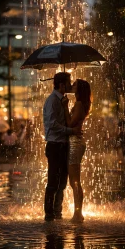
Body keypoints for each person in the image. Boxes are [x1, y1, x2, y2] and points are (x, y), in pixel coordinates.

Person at [43, 72, 81, 222]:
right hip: (54, 146)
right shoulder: (52, 100)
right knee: (53, 181)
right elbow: (51, 124)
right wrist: (70, 131)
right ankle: (49, 214)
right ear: (61, 85)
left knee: (63, 181)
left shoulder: (62, 100)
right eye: (68, 82)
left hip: (63, 145)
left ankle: (57, 213)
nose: (71, 85)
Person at [62, 79, 91, 223]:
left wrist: (66, 107)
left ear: (79, 89)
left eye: (74, 85)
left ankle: (78, 214)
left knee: (75, 181)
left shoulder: (79, 104)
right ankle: (78, 213)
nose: (72, 86)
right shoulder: (80, 103)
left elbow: (70, 124)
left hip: (75, 143)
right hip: (76, 142)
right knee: (74, 181)